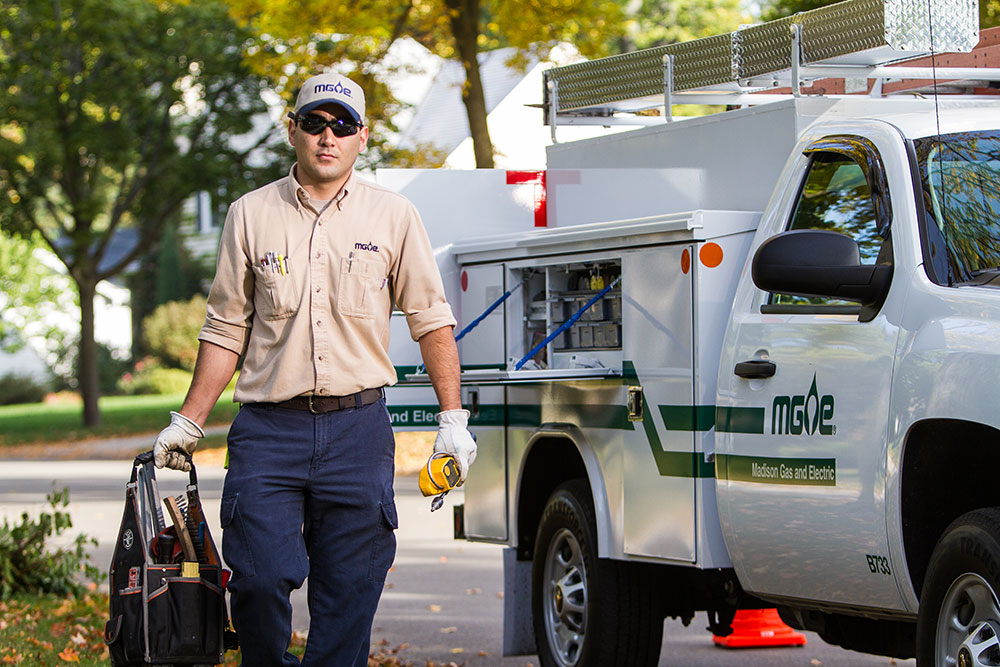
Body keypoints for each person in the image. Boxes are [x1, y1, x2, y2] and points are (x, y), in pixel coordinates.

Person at [151, 71, 477, 667]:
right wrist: (189, 421)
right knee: (256, 580)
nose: (329, 136)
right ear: (292, 130)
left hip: (358, 431)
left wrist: (453, 420)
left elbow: (431, 318)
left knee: (350, 596)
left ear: (362, 137)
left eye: (343, 124)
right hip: (269, 433)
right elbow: (226, 327)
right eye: (315, 122)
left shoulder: (394, 216)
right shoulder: (249, 215)